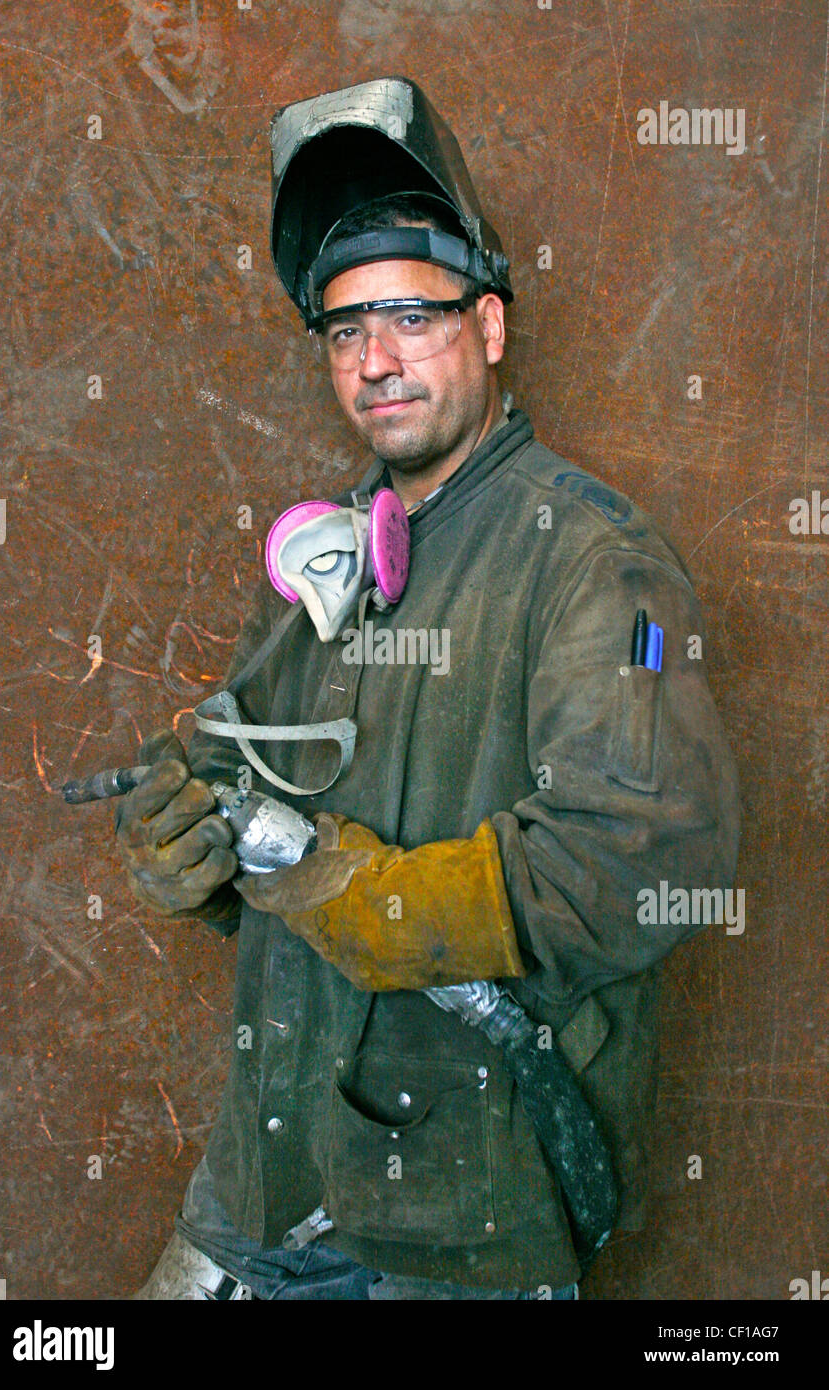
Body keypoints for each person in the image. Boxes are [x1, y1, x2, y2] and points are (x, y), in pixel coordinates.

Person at [117, 78, 740, 1300]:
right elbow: (245, 778)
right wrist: (183, 844)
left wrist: (363, 891)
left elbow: (640, 855)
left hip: (463, 1220)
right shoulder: (324, 561)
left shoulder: (593, 565)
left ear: (491, 328)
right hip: (268, 1184)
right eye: (345, 330)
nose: (375, 362)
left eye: (411, 316)